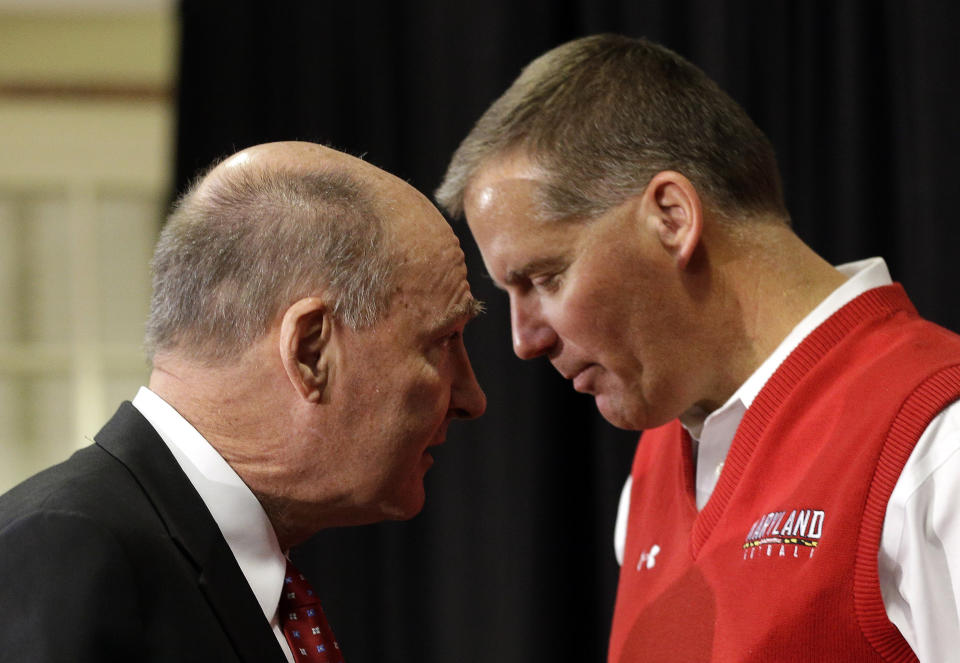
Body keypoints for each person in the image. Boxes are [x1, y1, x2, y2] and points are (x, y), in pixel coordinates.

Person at [436, 34, 960, 662]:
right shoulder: (652, 477)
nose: (525, 340)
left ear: (672, 217)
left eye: (544, 279)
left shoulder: (937, 445)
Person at [0, 141, 486, 662]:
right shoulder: (68, 553)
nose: (471, 397)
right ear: (311, 351)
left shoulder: (229, 564)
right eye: (443, 340)